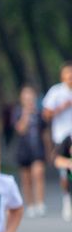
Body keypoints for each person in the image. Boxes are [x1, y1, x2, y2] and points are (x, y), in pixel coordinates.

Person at [41, 62, 72, 221]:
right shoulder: (56, 92)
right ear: (62, 76)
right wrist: (62, 106)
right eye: (67, 74)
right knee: (65, 171)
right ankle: (67, 199)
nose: (70, 77)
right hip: (61, 137)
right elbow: (46, 114)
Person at [12, 85, 48, 217]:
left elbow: (45, 133)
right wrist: (26, 114)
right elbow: (20, 129)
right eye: (25, 96)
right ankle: (30, 204)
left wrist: (49, 150)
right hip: (24, 149)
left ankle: (40, 202)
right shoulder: (17, 112)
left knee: (38, 173)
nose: (28, 99)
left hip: (38, 148)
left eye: (30, 96)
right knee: (26, 179)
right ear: (21, 98)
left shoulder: (39, 113)